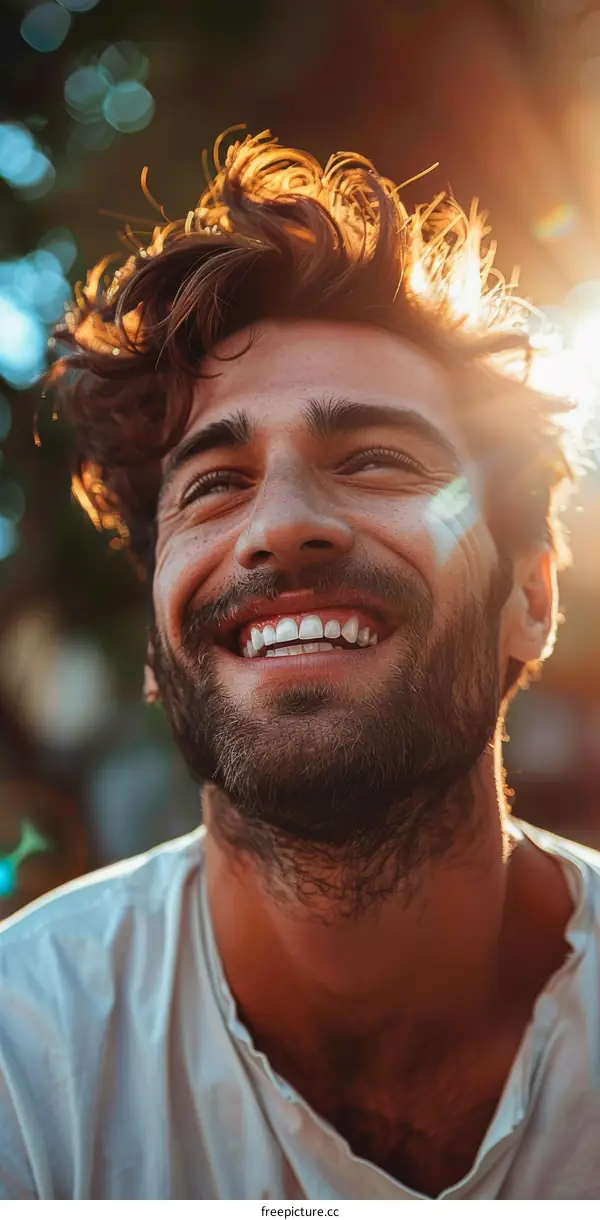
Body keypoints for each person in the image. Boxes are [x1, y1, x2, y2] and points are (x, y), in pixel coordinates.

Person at [0, 130, 597, 1202]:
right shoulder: (23, 1057)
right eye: (215, 484)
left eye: (375, 459)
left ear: (532, 597)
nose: (280, 526)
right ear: (153, 640)